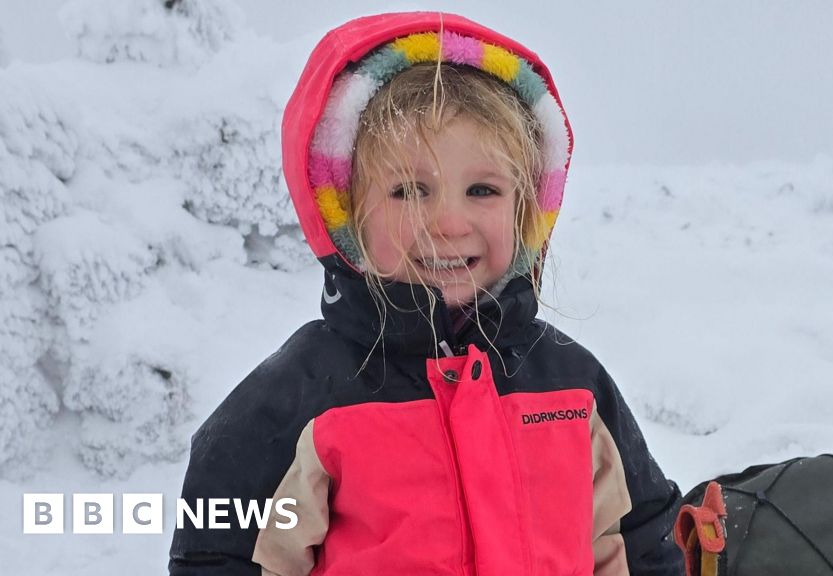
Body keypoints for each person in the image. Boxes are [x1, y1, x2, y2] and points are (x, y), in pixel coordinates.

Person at [169, 12, 683, 576]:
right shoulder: (304, 396)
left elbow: (642, 541)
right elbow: (220, 554)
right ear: (345, 214)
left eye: (482, 189)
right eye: (408, 190)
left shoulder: (573, 385)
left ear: (526, 209)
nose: (449, 223)